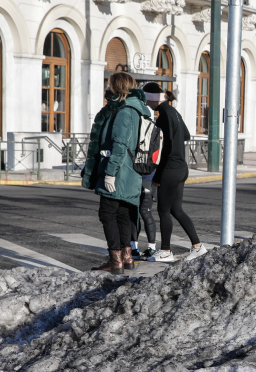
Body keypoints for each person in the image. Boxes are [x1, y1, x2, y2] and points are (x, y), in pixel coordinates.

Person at [82, 72, 148, 275]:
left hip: (121, 172)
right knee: (122, 214)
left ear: (116, 87)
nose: (107, 88)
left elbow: (120, 145)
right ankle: (126, 256)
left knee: (107, 213)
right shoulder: (137, 109)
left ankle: (115, 260)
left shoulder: (125, 111)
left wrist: (110, 173)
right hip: (129, 171)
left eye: (110, 85)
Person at [142, 82, 206, 263]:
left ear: (153, 99)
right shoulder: (174, 112)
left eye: (148, 101)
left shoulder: (163, 116)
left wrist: (158, 175)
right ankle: (197, 246)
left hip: (170, 169)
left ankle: (166, 251)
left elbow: (167, 147)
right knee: (176, 209)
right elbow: (185, 135)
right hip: (181, 168)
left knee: (163, 210)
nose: (147, 105)